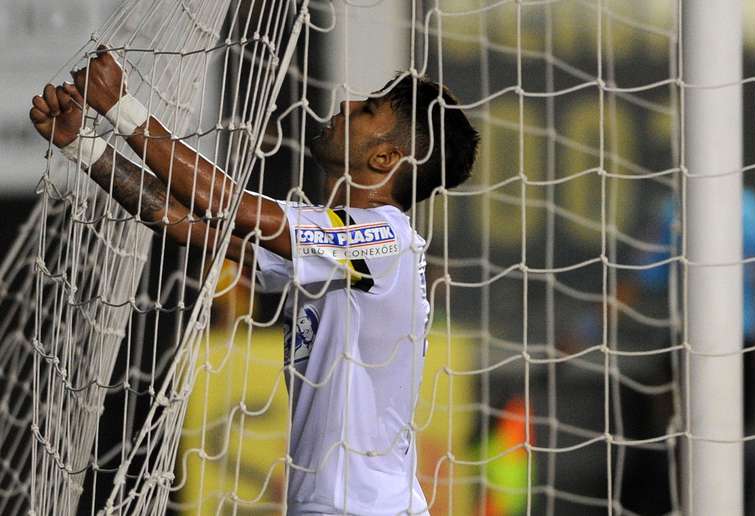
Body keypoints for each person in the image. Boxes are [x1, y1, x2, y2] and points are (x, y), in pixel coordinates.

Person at [29, 48, 479, 515]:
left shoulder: (387, 240)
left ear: (385, 157)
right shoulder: (334, 249)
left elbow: (228, 203)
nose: (346, 107)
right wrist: (84, 146)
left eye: (366, 110)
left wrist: (121, 107)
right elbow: (186, 224)